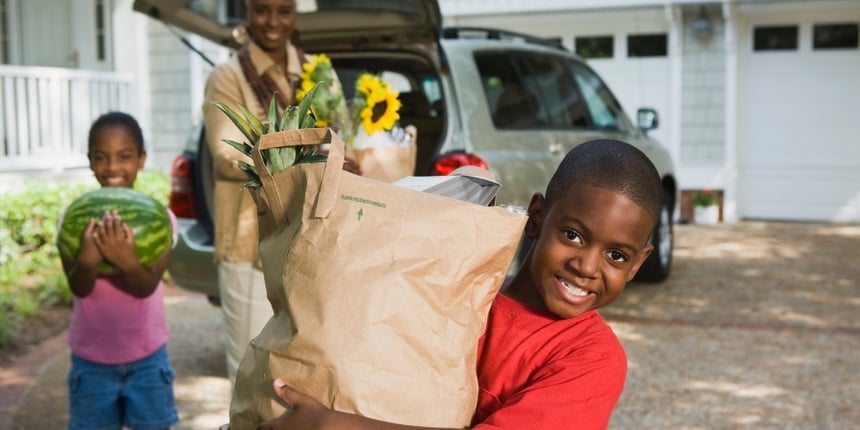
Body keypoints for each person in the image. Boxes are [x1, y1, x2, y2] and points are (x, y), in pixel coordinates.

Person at [256, 138, 664, 430]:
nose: (586, 265)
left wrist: (339, 425)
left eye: (616, 256)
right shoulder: (457, 286)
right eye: (572, 234)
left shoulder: (592, 359)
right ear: (536, 217)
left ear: (637, 264)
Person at [60, 111, 178, 430]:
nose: (112, 167)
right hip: (91, 363)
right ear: (90, 161)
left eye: (124, 156)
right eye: (102, 157)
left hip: (148, 360)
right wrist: (87, 261)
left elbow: (145, 286)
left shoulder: (161, 219)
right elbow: (79, 288)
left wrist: (125, 260)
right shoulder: (72, 219)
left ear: (141, 159)